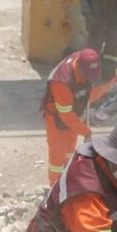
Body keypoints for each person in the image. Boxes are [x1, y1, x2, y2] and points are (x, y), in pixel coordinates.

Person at [41, 49, 104, 185]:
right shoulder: (61, 81)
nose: (89, 79)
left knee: (70, 150)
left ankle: (68, 179)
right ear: (79, 68)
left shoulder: (82, 58)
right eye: (87, 75)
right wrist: (86, 131)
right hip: (56, 117)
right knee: (58, 156)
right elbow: (66, 116)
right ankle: (55, 187)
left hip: (73, 113)